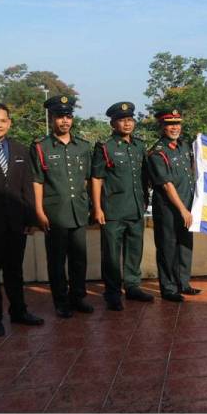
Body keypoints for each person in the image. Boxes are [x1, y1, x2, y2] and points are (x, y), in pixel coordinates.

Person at [0, 103, 44, 336]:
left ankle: (19, 312)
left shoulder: (21, 150)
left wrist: (30, 218)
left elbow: (27, 188)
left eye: (3, 120)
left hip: (16, 224)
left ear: (9, 123)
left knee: (15, 271)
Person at [30, 95, 93, 318]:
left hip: (78, 211)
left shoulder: (83, 147)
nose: (64, 121)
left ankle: (79, 297)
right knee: (57, 260)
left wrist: (87, 205)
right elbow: (37, 181)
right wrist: (38, 211)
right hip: (55, 213)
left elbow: (86, 178)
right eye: (60, 116)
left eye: (68, 116)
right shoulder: (40, 147)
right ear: (52, 118)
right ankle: (61, 301)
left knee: (79, 258)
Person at [91, 101, 152, 311]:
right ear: (113, 124)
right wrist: (97, 208)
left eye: (129, 120)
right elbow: (96, 178)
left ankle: (133, 286)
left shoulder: (139, 146)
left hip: (135, 208)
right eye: (122, 120)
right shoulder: (105, 147)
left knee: (135, 250)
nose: (127, 124)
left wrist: (144, 201)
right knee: (111, 254)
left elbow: (144, 177)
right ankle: (112, 293)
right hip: (113, 211)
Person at [147, 109, 200, 302]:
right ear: (162, 127)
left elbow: (192, 171)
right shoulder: (157, 153)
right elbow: (167, 185)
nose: (174, 127)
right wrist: (182, 209)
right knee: (167, 248)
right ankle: (168, 289)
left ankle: (183, 283)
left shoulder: (184, 146)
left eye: (177, 124)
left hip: (187, 205)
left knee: (185, 246)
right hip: (169, 209)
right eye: (170, 124)